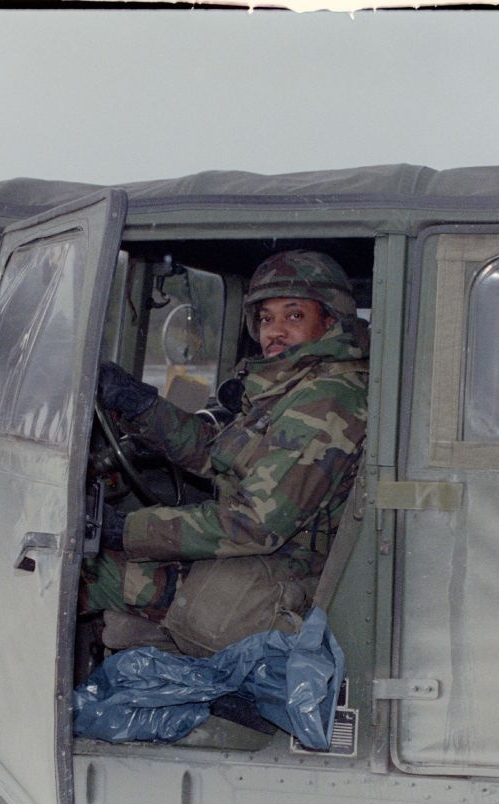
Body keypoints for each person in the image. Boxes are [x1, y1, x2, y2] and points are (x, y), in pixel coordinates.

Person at [81, 249, 369, 654]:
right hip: (257, 563)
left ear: (330, 319)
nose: (275, 331)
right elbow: (217, 454)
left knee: (87, 575)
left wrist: (124, 529)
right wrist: (141, 405)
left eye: (294, 315)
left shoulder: (326, 400)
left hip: (277, 582)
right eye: (266, 318)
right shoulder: (294, 386)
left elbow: (253, 524)